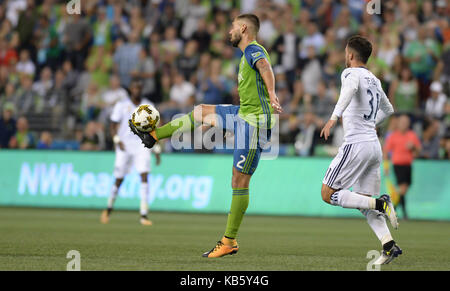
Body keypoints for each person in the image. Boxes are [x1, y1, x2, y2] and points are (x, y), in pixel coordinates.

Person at [129, 14, 283, 258]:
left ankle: (229, 241)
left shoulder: (253, 49)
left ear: (243, 28)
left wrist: (272, 93)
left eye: (233, 26)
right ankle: (154, 135)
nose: (229, 31)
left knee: (239, 181)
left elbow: (265, 66)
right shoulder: (245, 56)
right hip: (243, 114)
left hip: (255, 123)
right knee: (201, 112)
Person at [320, 36, 401, 265]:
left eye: (346, 52)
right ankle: (388, 244)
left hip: (356, 144)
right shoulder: (375, 79)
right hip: (374, 146)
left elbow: (350, 90)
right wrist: (371, 124)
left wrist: (333, 118)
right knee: (362, 202)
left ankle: (382, 202)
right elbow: (389, 108)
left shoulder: (350, 73)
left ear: (351, 55)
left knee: (328, 194)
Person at [101, 79, 161, 226]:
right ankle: (108, 209)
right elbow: (113, 124)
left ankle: (144, 214)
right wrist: (116, 140)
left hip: (142, 145)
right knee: (119, 178)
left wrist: (157, 149)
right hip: (124, 146)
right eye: (134, 88)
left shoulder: (148, 106)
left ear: (142, 89)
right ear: (130, 89)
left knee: (144, 176)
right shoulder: (121, 105)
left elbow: (154, 129)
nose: (137, 90)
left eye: (139, 88)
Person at [383, 114, 422, 219]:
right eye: (402, 122)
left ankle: (393, 210)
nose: (404, 124)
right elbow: (386, 151)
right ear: (398, 123)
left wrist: (413, 147)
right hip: (398, 165)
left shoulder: (412, 135)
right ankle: (397, 211)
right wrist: (386, 166)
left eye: (406, 122)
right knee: (402, 188)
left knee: (404, 189)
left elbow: (418, 151)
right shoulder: (393, 136)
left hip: (408, 165)